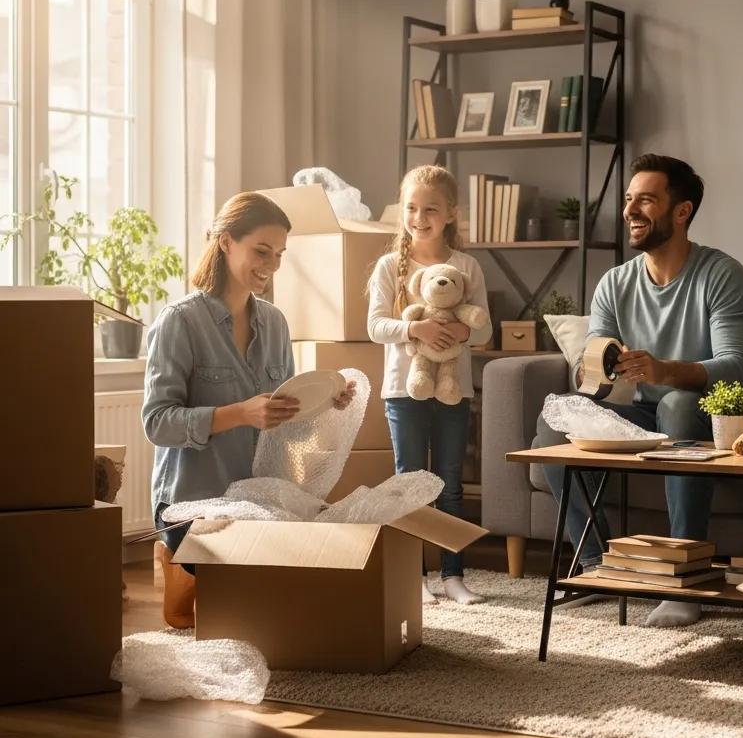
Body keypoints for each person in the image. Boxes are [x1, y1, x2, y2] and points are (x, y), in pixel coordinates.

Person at [535, 154, 743, 628]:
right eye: (629, 199)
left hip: (714, 419)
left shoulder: (721, 274)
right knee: (555, 419)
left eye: (647, 200)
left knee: (677, 405)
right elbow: (590, 365)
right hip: (644, 418)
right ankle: (596, 566)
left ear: (681, 212)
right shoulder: (615, 283)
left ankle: (685, 582)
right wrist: (595, 371)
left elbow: (740, 368)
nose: (631, 210)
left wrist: (665, 371)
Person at [143, 191, 354, 628]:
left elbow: (286, 429)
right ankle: (175, 553)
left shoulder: (275, 323)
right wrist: (238, 414)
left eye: (278, 255)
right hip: (194, 501)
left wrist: (325, 404)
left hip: (258, 499)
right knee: (240, 618)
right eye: (262, 251)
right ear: (225, 242)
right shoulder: (179, 322)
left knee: (305, 604)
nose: (271, 266)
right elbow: (157, 423)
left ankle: (196, 567)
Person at [367, 165, 492, 605]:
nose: (420, 217)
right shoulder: (389, 266)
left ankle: (453, 575)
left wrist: (459, 333)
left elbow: (483, 329)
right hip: (404, 391)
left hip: (454, 392)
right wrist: (415, 331)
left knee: (450, 483)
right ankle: (412, 577)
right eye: (412, 208)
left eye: (431, 209)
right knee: (409, 482)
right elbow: (376, 326)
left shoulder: (466, 266)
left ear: (451, 213)